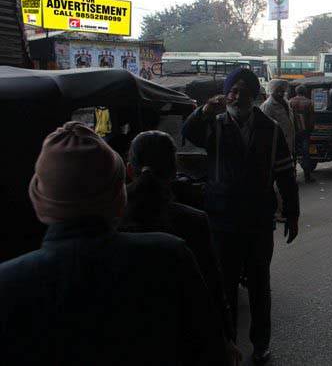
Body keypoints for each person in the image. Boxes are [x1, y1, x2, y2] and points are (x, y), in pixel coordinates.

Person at [0, 122, 227, 366]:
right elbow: (210, 347)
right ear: (119, 194)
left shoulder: (9, 283)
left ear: (39, 198)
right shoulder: (170, 255)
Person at [182, 68, 299, 364]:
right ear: (226, 93)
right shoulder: (215, 125)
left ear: (254, 94)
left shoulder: (270, 129)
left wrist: (293, 214)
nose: (238, 95)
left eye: (244, 90)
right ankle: (228, 343)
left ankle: (261, 344)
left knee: (260, 285)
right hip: (221, 221)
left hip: (259, 222)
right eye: (233, 90)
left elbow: (286, 175)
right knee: (225, 286)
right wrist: (204, 110)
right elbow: (189, 133)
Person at [120, 130, 240, 365]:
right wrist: (226, 339)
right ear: (174, 171)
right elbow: (212, 288)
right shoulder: (193, 221)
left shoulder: (111, 221)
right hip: (182, 341)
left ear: (130, 170)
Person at [261, 79, 296, 155]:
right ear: (272, 91)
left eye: (282, 91)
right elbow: (264, 128)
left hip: (289, 142)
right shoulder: (267, 106)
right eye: (277, 91)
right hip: (276, 145)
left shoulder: (286, 103)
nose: (280, 93)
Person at [289, 84, 315, 183]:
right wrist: (310, 130)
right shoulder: (309, 102)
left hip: (293, 131)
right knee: (305, 154)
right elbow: (312, 120)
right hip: (305, 132)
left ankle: (293, 175)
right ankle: (307, 176)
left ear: (296, 92)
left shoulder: (290, 102)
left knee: (293, 153)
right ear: (305, 92)